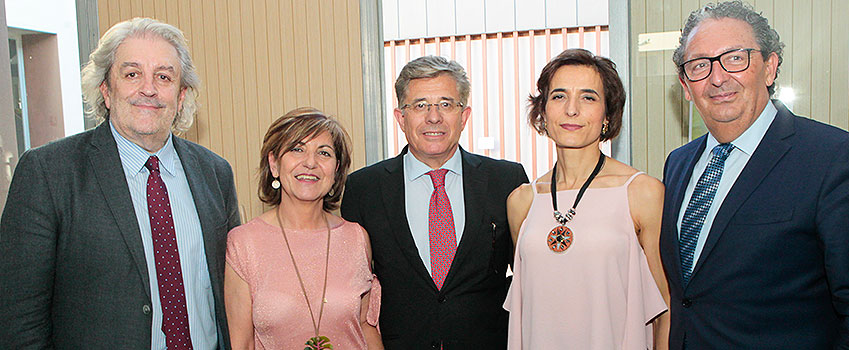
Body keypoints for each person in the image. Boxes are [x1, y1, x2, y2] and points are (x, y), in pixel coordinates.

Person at [0, 17, 241, 349]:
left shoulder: (215, 173)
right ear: (106, 90)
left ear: (181, 95)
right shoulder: (48, 173)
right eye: (132, 74)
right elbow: (19, 321)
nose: (149, 89)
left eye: (164, 77)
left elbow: (232, 298)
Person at [661, 1, 849, 348]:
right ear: (686, 85)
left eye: (735, 58)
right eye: (699, 65)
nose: (717, 78)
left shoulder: (835, 159)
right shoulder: (677, 165)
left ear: (769, 67)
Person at [341, 56, 529, 349]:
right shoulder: (364, 188)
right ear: (401, 118)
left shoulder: (506, 180)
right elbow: (351, 291)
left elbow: (529, 277)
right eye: (420, 105)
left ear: (464, 116)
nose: (433, 117)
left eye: (445, 104)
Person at [503, 48, 669, 349]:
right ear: (543, 110)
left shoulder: (641, 192)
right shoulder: (522, 202)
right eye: (559, 96)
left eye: (588, 97)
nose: (571, 110)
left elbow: (665, 306)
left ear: (607, 114)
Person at [225, 107, 383, 350]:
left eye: (324, 153)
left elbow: (366, 326)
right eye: (297, 149)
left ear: (336, 170)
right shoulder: (243, 244)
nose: (310, 162)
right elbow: (241, 343)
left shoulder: (356, 238)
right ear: (274, 164)